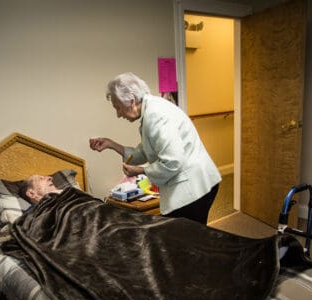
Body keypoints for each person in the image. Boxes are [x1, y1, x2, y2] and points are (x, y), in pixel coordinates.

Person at [89, 72, 221, 224]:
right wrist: (110, 144)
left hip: (194, 186)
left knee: (186, 240)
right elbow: (144, 151)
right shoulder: (151, 109)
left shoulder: (155, 116)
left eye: (118, 108)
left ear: (131, 102)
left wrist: (141, 171)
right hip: (195, 182)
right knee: (186, 239)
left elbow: (172, 162)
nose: (118, 114)